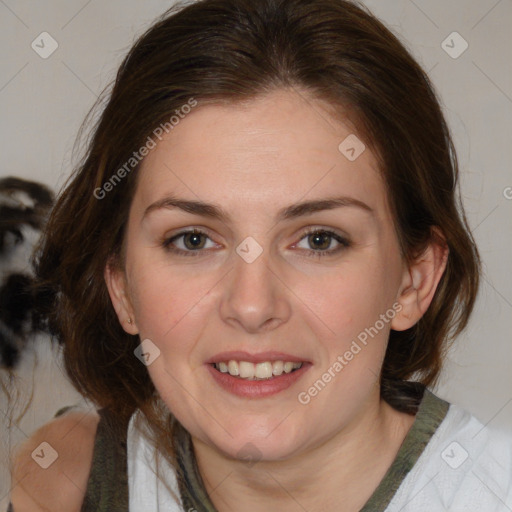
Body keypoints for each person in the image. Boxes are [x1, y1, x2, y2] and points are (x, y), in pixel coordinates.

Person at [8, 0, 512, 510]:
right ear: (121, 285)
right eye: (193, 240)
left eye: (319, 239)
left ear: (414, 279)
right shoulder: (64, 477)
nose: (251, 306)